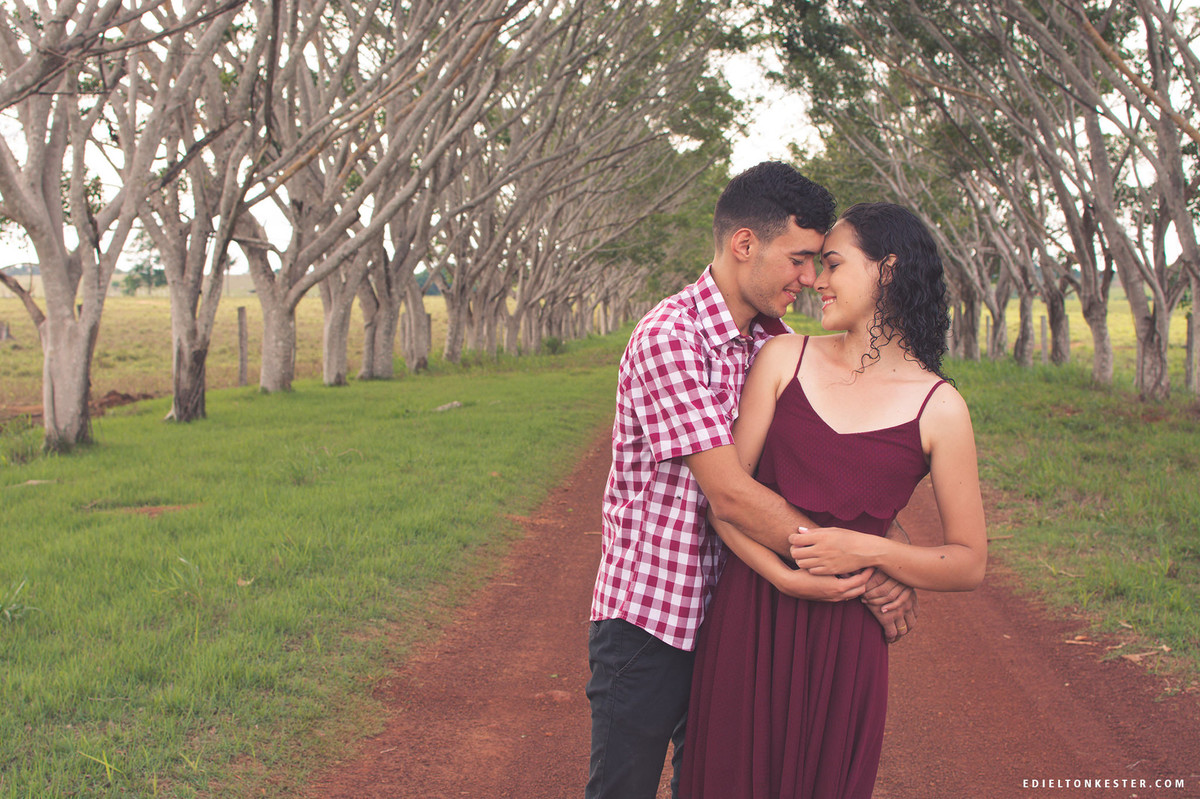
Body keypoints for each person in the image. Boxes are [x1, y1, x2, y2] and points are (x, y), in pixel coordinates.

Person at [586, 166, 919, 799]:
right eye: (799, 259)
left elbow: (824, 472)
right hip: (652, 621)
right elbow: (731, 493)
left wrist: (888, 546)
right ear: (745, 245)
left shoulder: (776, 344)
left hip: (736, 617)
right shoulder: (670, 339)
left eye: (820, 262)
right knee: (621, 790)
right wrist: (869, 572)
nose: (810, 279)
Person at [677, 202, 989, 799]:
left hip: (847, 646)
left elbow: (969, 562)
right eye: (815, 265)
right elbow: (726, 502)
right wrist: (788, 577)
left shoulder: (941, 407)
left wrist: (872, 551)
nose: (815, 281)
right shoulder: (782, 358)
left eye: (834, 265)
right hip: (750, 619)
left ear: (888, 272)